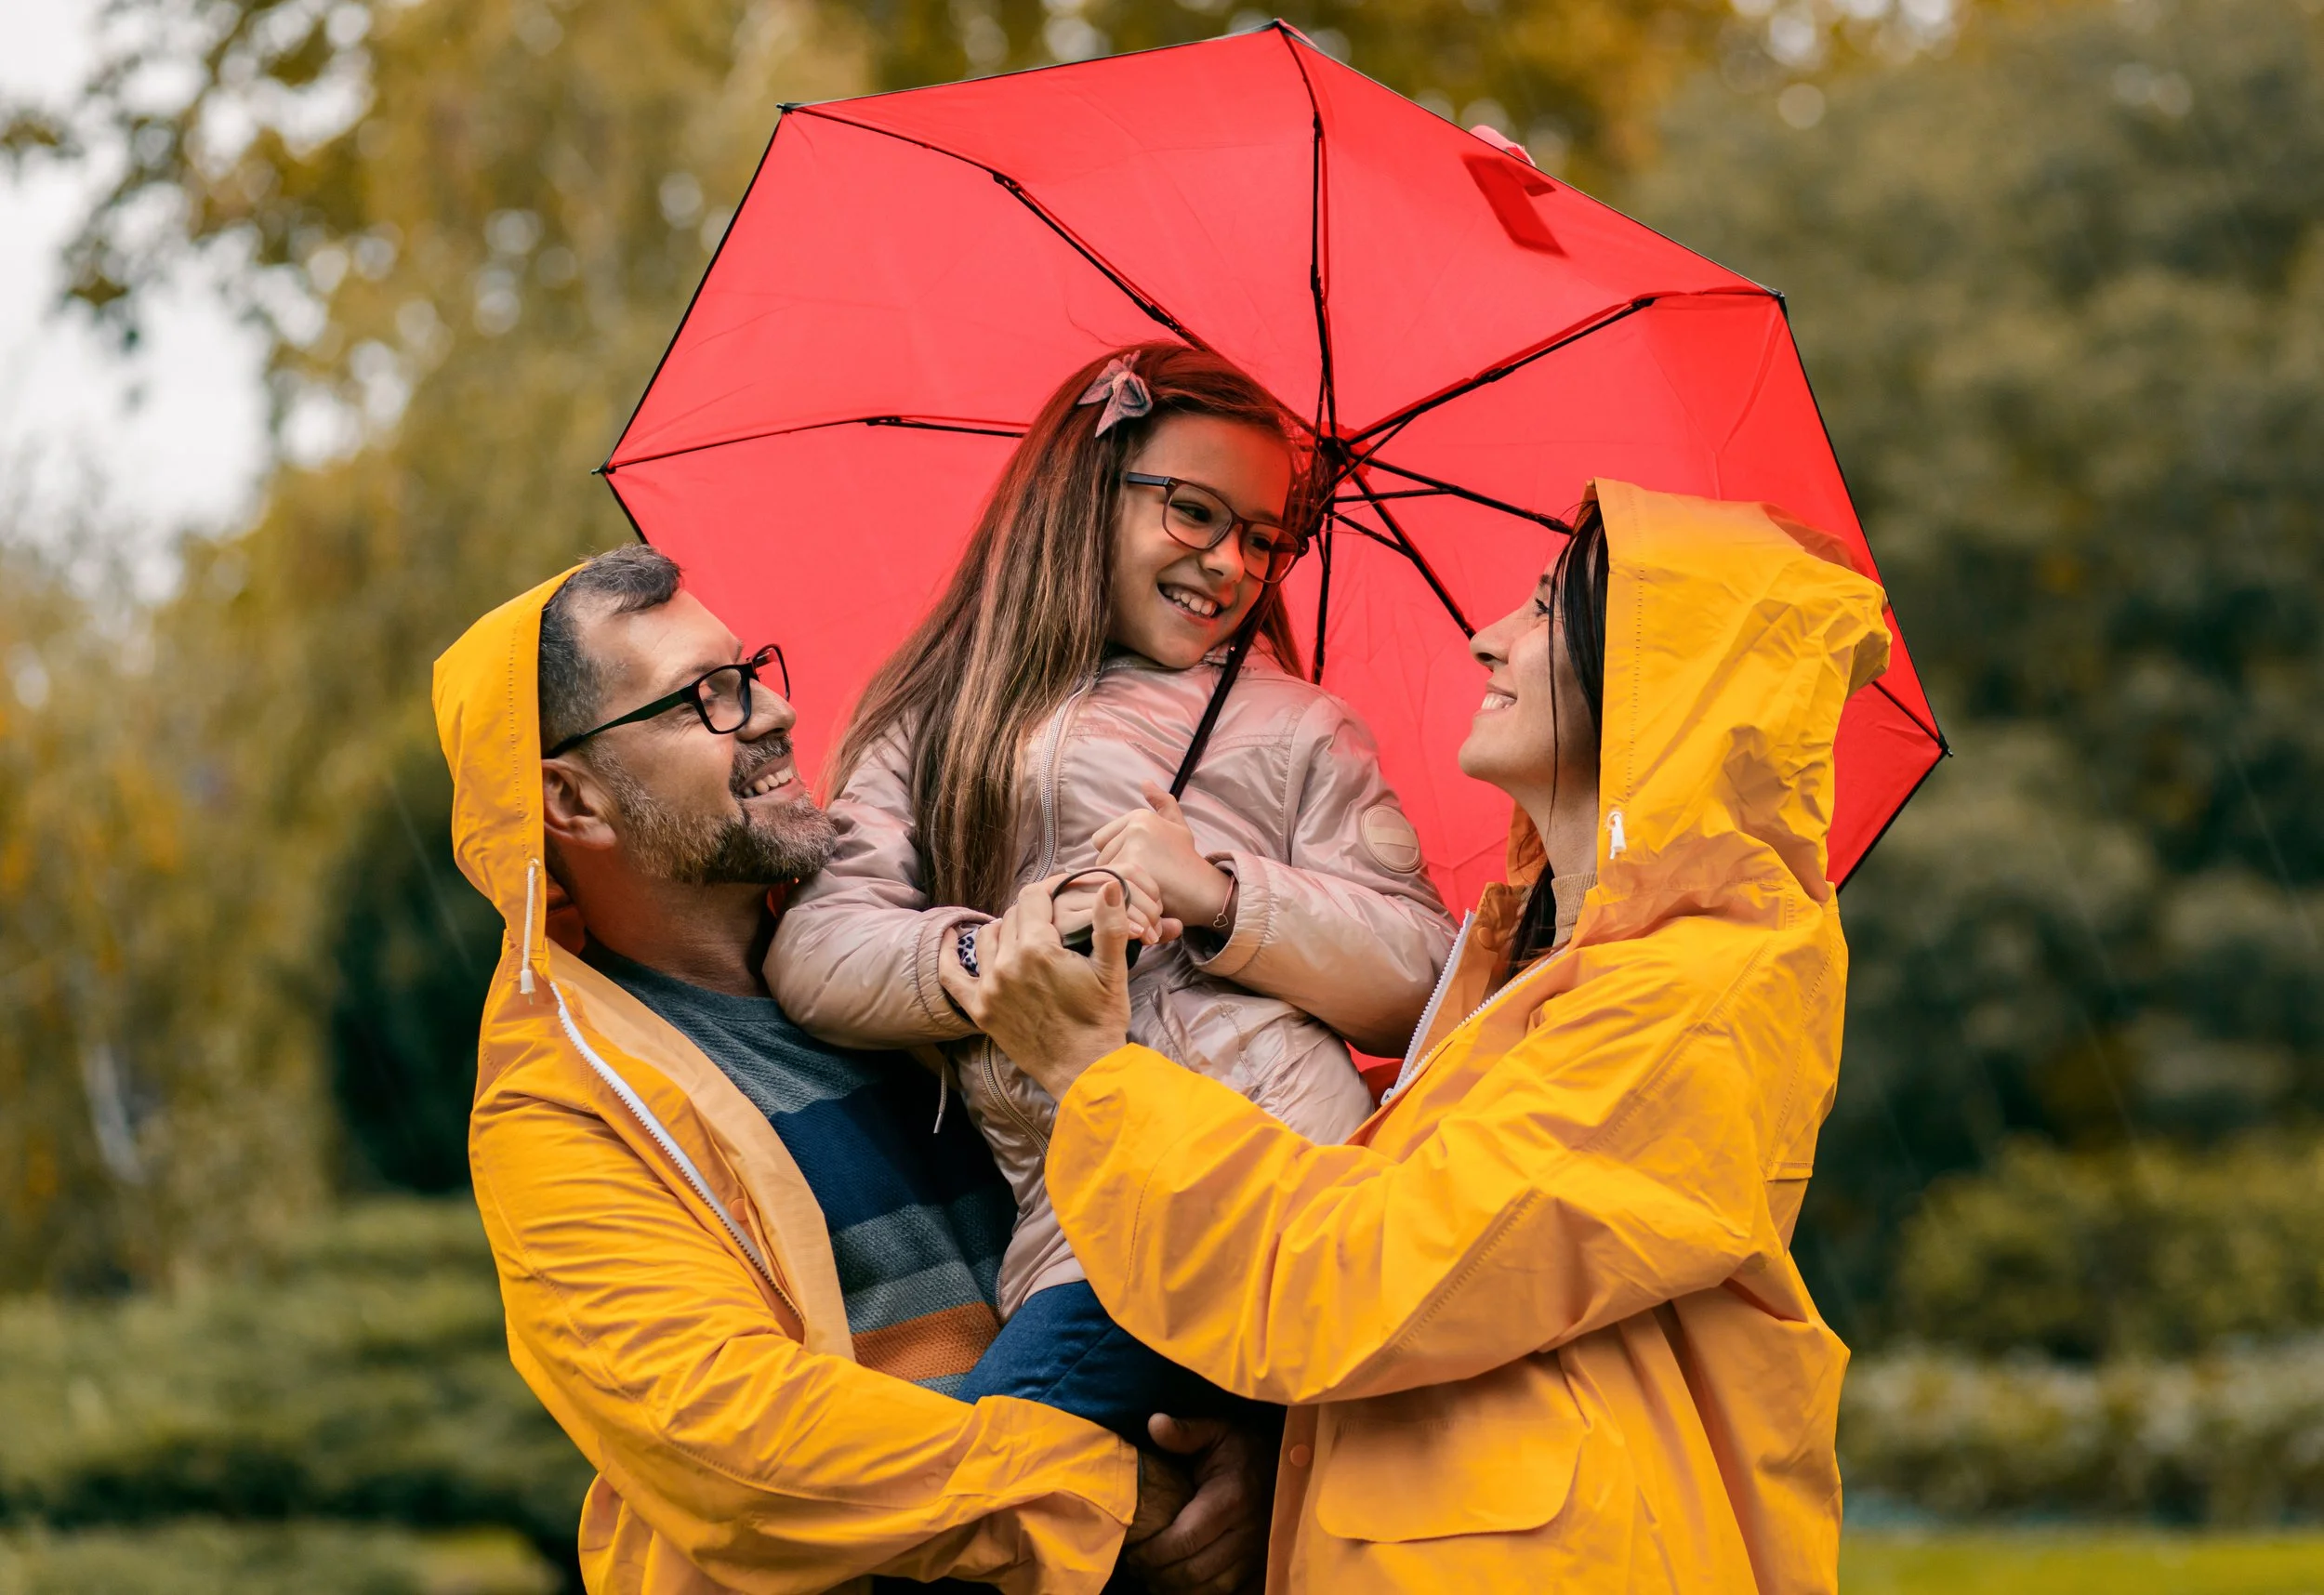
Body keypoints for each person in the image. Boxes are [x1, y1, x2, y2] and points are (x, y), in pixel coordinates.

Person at [942, 480, 1895, 1592]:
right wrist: (1281, 1455)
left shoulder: (1694, 999)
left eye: (1543, 611)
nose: (1489, 643)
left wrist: (1095, 1075)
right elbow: (1457, 1315)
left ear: (1658, 666)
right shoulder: (1520, 961)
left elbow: (1360, 1278)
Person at [433, 546, 1265, 1594]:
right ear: (573, 802)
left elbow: (1146, 1221)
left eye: (750, 670)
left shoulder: (907, 946)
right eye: (706, 699)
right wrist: (1110, 1499)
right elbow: (744, 1452)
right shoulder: (558, 1109)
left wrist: (1241, 1447)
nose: (774, 712)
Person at [768, 343, 1456, 1442]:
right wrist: (998, 958)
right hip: (1079, 1222)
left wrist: (1226, 897)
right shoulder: (935, 718)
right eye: (1192, 513)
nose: (1230, 562)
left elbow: (1426, 976)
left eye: (1265, 538)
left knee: (978, 1498)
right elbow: (817, 952)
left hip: (1270, 1181)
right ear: (1087, 494)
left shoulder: (1297, 730)